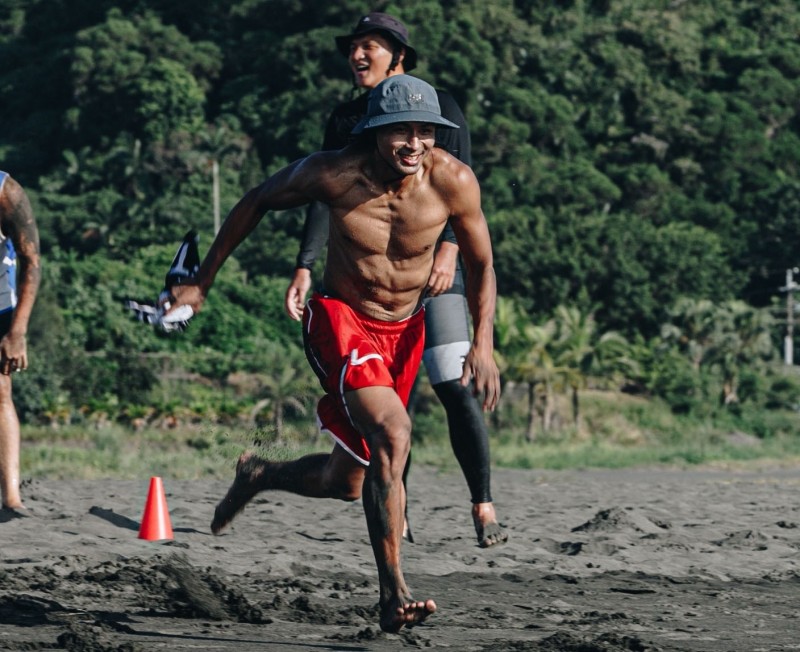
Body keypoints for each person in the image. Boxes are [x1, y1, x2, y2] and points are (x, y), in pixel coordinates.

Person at [166, 75, 500, 633]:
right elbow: (257, 200)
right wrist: (203, 280)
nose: (415, 143)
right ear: (374, 133)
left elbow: (483, 263)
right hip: (341, 323)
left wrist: (483, 340)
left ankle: (260, 474)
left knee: (349, 481)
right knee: (394, 435)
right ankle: (393, 594)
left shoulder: (453, 181)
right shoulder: (334, 173)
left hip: (406, 330)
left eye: (425, 132)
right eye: (402, 131)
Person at [284, 11, 507, 548]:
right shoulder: (346, 119)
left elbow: (461, 181)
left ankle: (482, 502)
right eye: (353, 47)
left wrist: (449, 250)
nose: (358, 55)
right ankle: (398, 512)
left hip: (438, 271)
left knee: (454, 382)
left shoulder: (439, 104)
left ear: (399, 56)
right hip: (370, 289)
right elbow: (320, 194)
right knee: (390, 407)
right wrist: (306, 263)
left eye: (371, 46)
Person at [0, 172, 41, 516]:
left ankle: (11, 498)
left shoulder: (6, 193)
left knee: (0, 392)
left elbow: (32, 262)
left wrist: (18, 331)